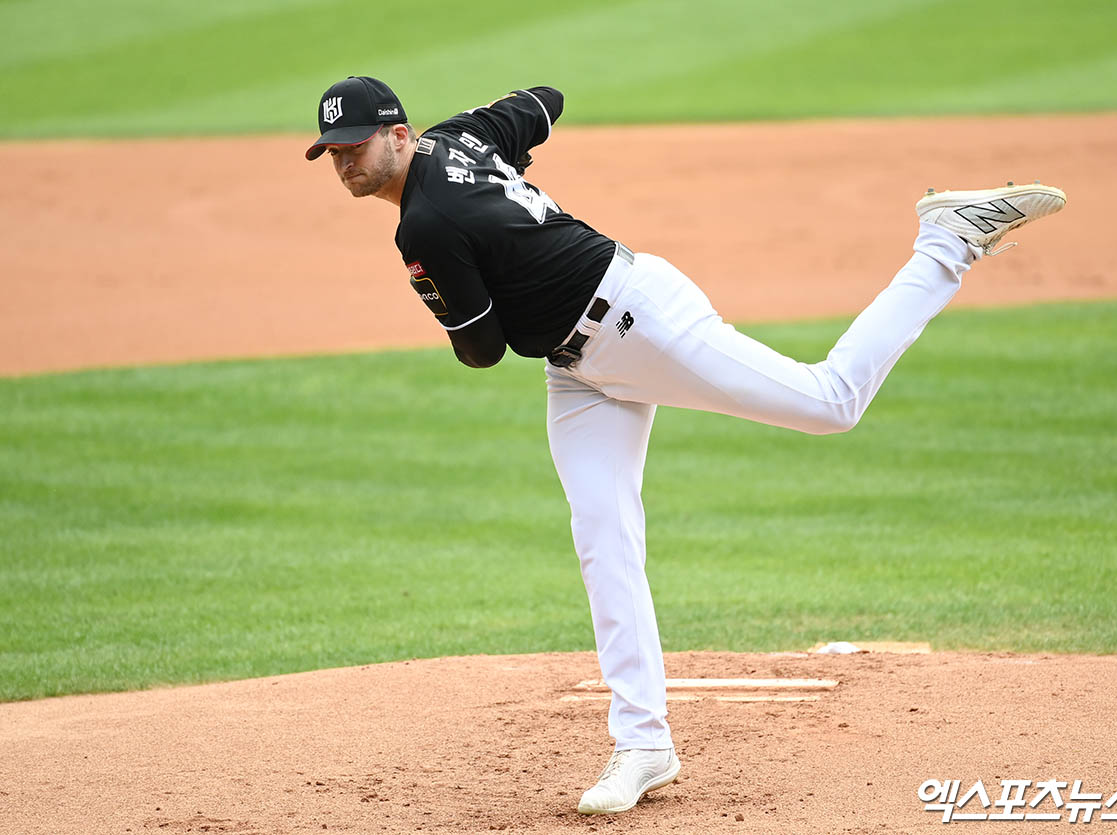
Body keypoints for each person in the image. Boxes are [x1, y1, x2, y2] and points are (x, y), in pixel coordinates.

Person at [305, 76, 1066, 815]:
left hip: (640, 322)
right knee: (603, 536)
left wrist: (487, 243)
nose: (344, 161)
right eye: (332, 151)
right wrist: (505, 181)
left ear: (399, 135)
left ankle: (946, 243)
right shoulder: (460, 138)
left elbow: (480, 350)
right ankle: (643, 744)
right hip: (579, 371)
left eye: (356, 144)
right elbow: (540, 103)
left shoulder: (423, 227)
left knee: (830, 401)